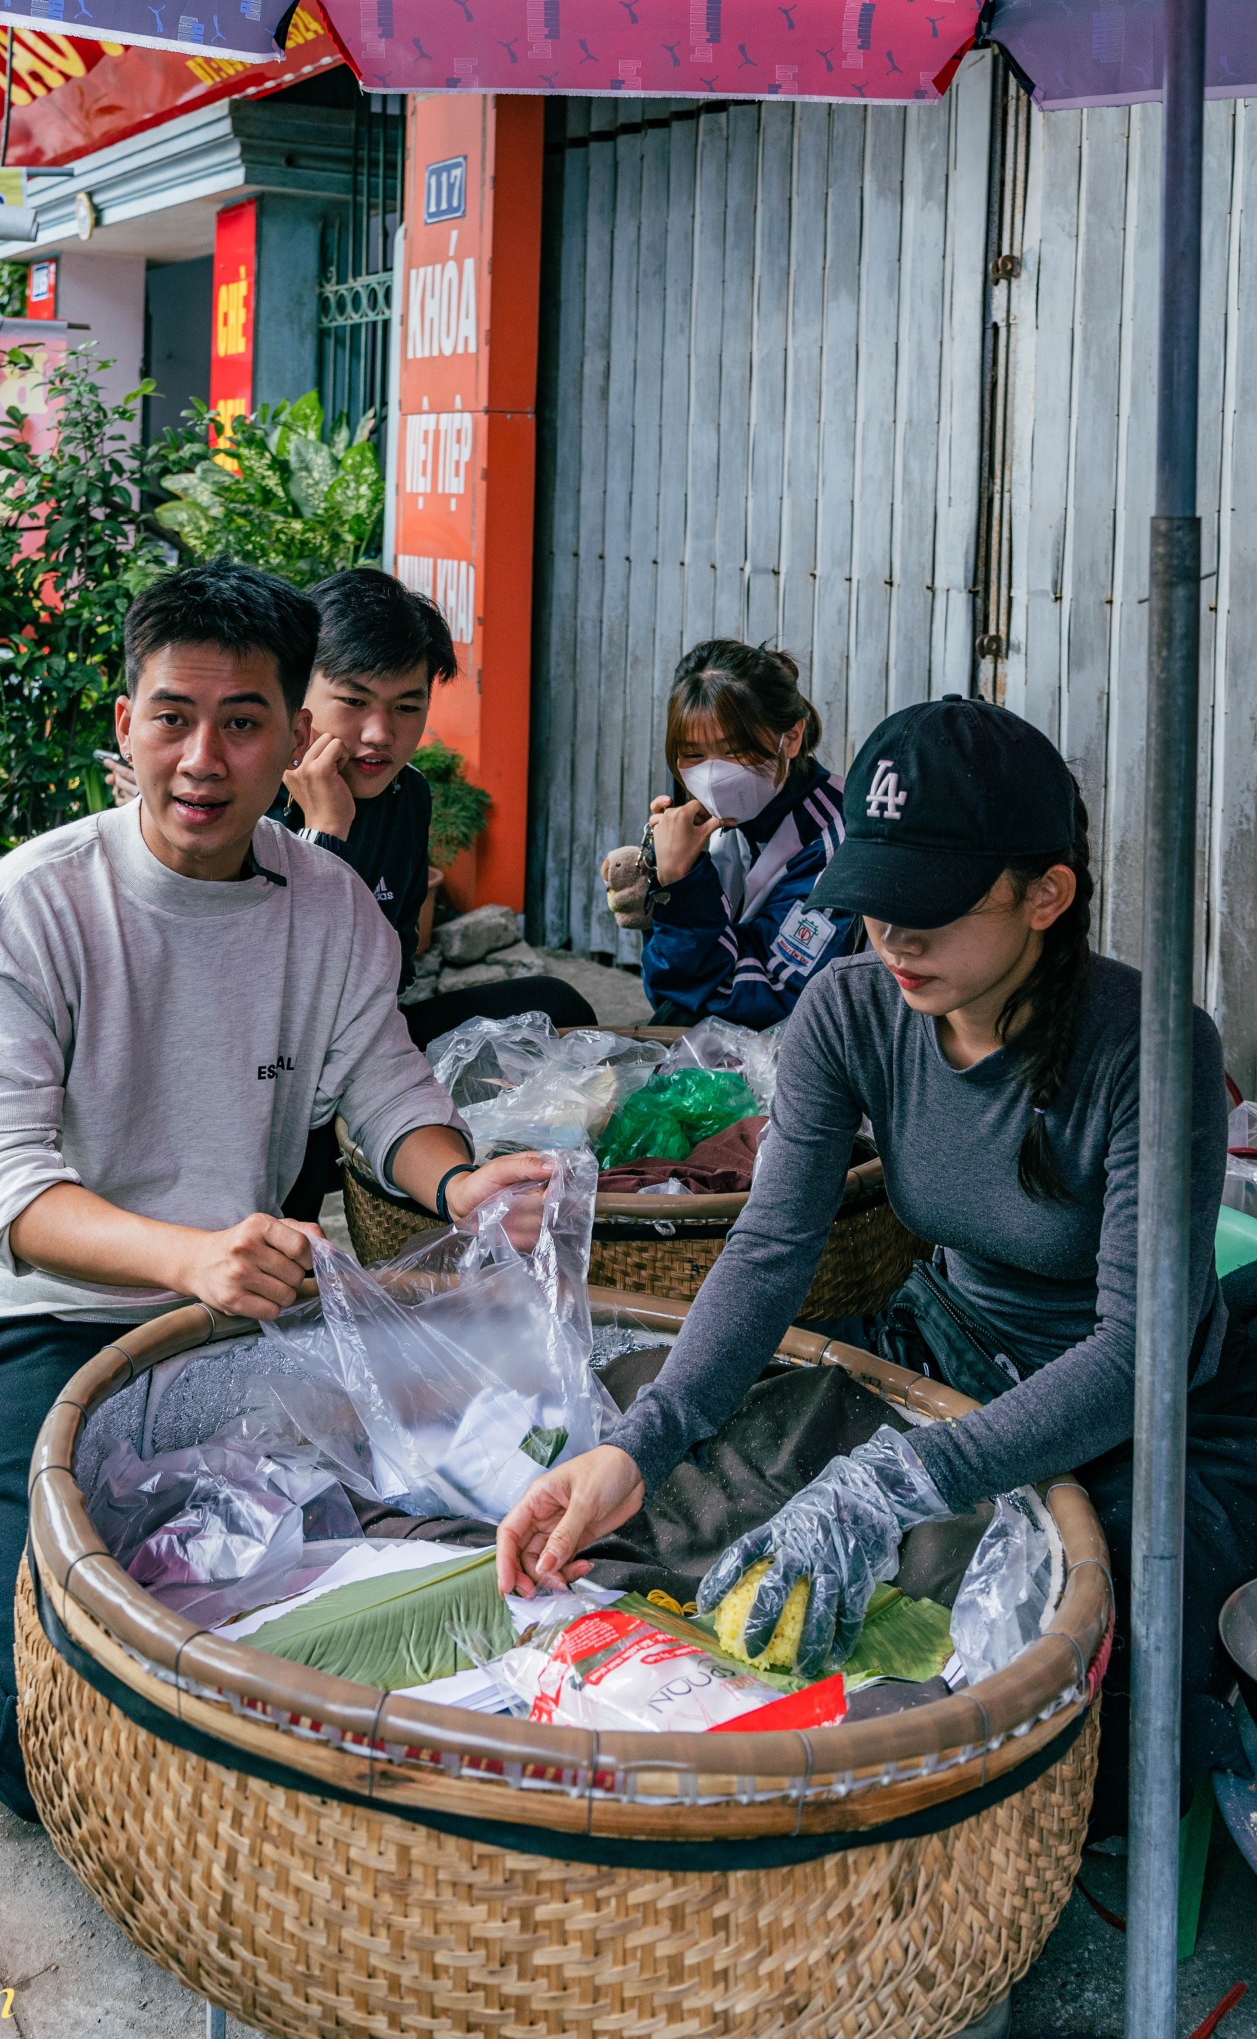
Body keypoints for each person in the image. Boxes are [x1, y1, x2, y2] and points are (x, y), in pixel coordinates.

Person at [0, 561, 549, 1818]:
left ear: (291, 735)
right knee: (35, 1739)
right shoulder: (33, 908)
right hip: (27, 1323)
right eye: (173, 716)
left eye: (242, 720)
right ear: (126, 725)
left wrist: (465, 1182)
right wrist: (190, 1256)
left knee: (362, 1611)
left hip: (225, 1328)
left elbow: (389, 1094)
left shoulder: (326, 910)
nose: (203, 757)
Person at [503, 695, 1257, 1828]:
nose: (891, 941)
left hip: (1143, 1410)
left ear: (1045, 894)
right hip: (945, 1349)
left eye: (928, 912)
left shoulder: (1151, 1050)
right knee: (673, 1502)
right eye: (874, 908)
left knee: (1084, 1687)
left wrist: (900, 1479)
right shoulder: (850, 1014)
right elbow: (767, 1252)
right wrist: (645, 1442)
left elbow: (1131, 1351)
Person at [105, 566, 595, 1049]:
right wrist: (324, 834)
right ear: (297, 699)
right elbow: (260, 994)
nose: (380, 734)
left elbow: (395, 968)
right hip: (246, 1055)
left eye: (406, 707)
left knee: (556, 1005)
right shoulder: (230, 799)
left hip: (360, 1038)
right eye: (353, 701)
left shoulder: (408, 795)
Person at [602, 641, 855, 1029]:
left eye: (734, 751)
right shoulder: (703, 820)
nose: (712, 776)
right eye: (693, 754)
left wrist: (683, 888)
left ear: (791, 738)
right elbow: (671, 991)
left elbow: (759, 1000)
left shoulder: (836, 842)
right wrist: (659, 883)